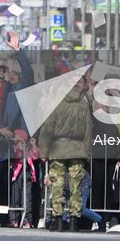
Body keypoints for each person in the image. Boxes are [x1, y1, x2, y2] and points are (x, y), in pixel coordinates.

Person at [37, 72, 90, 232]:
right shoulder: (83, 104)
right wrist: (86, 151)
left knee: (57, 186)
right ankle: (74, 220)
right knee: (76, 187)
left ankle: (58, 220)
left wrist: (44, 152)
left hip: (58, 148)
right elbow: (88, 130)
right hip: (77, 149)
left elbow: (47, 129)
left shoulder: (56, 103)